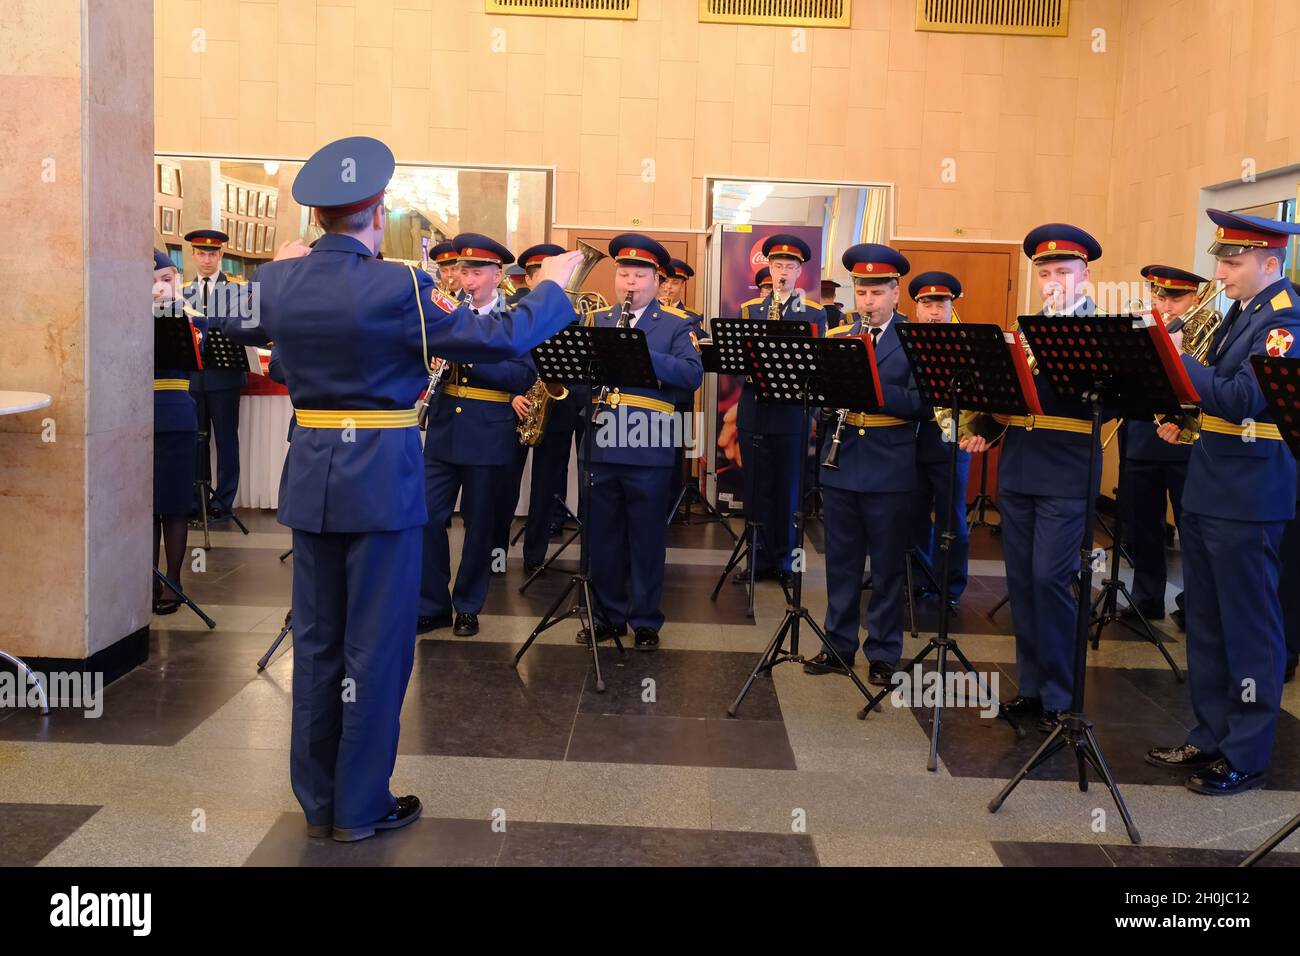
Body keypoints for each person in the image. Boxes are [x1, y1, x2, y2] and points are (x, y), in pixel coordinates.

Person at [215, 135, 584, 842]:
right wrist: (552, 288)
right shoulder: (397, 287)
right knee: (376, 646)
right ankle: (359, 807)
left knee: (319, 641)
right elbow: (500, 339)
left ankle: (318, 800)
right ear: (377, 212)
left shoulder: (277, 283)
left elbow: (217, 315)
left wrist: (281, 278)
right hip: (380, 478)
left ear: (317, 217)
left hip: (312, 473)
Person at [1146, 209, 1300, 795]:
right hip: (1212, 484)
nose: (1221, 271)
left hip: (1250, 494)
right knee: (1206, 622)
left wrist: (1176, 359)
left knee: (1250, 629)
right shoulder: (1243, 311)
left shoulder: (1284, 321)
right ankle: (1210, 732)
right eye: (1221, 259)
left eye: (1232, 262)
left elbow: (1241, 398)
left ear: (1270, 263)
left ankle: (1247, 750)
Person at [960, 223, 1105, 733]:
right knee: (1022, 582)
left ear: (1085, 274)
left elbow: (1106, 408)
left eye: (1063, 271)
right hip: (1019, 468)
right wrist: (981, 426)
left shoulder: (1100, 330)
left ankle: (1064, 696)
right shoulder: (1022, 332)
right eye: (1044, 272)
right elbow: (1010, 397)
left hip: (1066, 470)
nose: (1052, 281)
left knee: (1051, 579)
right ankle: (1034, 688)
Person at [803, 244, 922, 685]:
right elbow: (820, 399)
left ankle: (884, 651)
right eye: (862, 292)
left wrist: (870, 390)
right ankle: (837, 646)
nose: (868, 302)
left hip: (890, 463)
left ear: (896, 294)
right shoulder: (838, 339)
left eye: (877, 293)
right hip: (843, 460)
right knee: (842, 561)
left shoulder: (915, 339)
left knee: (888, 565)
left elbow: (921, 404)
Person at [581, 234, 703, 650]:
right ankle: (607, 616)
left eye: (639, 274)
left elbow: (691, 377)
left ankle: (646, 619)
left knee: (647, 536)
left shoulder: (674, 323)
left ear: (656, 280)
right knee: (603, 534)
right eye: (623, 273)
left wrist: (641, 353)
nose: (629, 282)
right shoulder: (597, 320)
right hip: (602, 436)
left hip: (648, 439)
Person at [418, 233, 534, 635]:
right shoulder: (446, 314)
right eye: (463, 271)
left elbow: (520, 374)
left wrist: (468, 352)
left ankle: (467, 603)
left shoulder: (514, 318)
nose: (467, 280)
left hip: (490, 431)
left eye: (477, 272)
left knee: (479, 523)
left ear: (497, 274)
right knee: (427, 518)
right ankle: (432, 603)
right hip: (445, 427)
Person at [738, 235, 827, 584]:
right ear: (769, 269)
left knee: (790, 491)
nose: (783, 273)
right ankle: (757, 560)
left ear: (800, 272)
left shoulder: (815, 312)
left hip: (792, 413)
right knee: (756, 487)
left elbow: (820, 366)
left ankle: (790, 564)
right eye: (777, 266)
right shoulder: (749, 310)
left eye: (790, 267)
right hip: (755, 410)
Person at [1120, 265, 1199, 630]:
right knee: (1143, 526)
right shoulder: (1138, 332)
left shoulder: (1205, 338)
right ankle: (1146, 597)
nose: (1166, 304)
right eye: (1161, 296)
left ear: (1194, 299)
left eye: (1177, 298)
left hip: (1187, 445)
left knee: (1191, 529)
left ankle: (1193, 603)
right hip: (1141, 438)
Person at [907, 271, 970, 611]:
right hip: (910, 443)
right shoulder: (905, 341)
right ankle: (918, 580)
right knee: (914, 514)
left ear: (951, 306)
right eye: (927, 303)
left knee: (951, 518)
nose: (934, 312)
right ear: (916, 307)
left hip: (951, 442)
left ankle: (950, 585)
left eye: (941, 304)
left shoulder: (965, 343)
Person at [151, 250, 204, 614]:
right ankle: (148, 578)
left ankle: (173, 580)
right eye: (153, 280)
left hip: (174, 413)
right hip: (134, 418)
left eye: (167, 279)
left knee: (173, 505)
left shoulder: (184, 319)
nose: (159, 287)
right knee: (143, 507)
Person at [183, 228, 243, 519]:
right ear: (193, 255)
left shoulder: (238, 291)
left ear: (221, 256)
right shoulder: (182, 292)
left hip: (225, 377)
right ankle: (197, 499)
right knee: (196, 438)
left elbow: (244, 327)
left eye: (213, 253)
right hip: (193, 378)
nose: (207, 259)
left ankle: (224, 501)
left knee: (226, 438)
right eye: (201, 253)